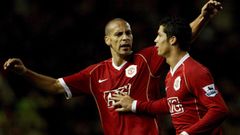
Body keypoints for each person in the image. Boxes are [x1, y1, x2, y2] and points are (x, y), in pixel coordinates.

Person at [3, 1, 223, 135]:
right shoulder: (95, 73)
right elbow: (54, 86)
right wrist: (25, 72)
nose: (125, 38)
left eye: (128, 33)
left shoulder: (146, 59)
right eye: (119, 34)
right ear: (107, 40)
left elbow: (179, 40)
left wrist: (203, 17)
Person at [111, 16, 229, 135]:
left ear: (172, 40)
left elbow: (219, 110)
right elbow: (171, 103)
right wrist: (135, 105)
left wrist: (187, 133)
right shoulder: (170, 75)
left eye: (160, 35)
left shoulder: (195, 71)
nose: (155, 40)